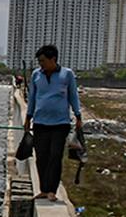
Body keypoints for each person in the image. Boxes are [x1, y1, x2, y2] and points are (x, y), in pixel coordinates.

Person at [23, 44, 82, 200]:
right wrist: (28, 118)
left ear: (53, 59)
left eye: (43, 61)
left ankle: (52, 191)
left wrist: (78, 116)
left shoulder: (67, 74)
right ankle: (43, 189)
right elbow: (32, 98)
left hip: (60, 123)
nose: (41, 64)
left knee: (55, 156)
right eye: (39, 61)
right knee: (41, 157)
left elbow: (73, 96)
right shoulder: (36, 75)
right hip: (40, 122)